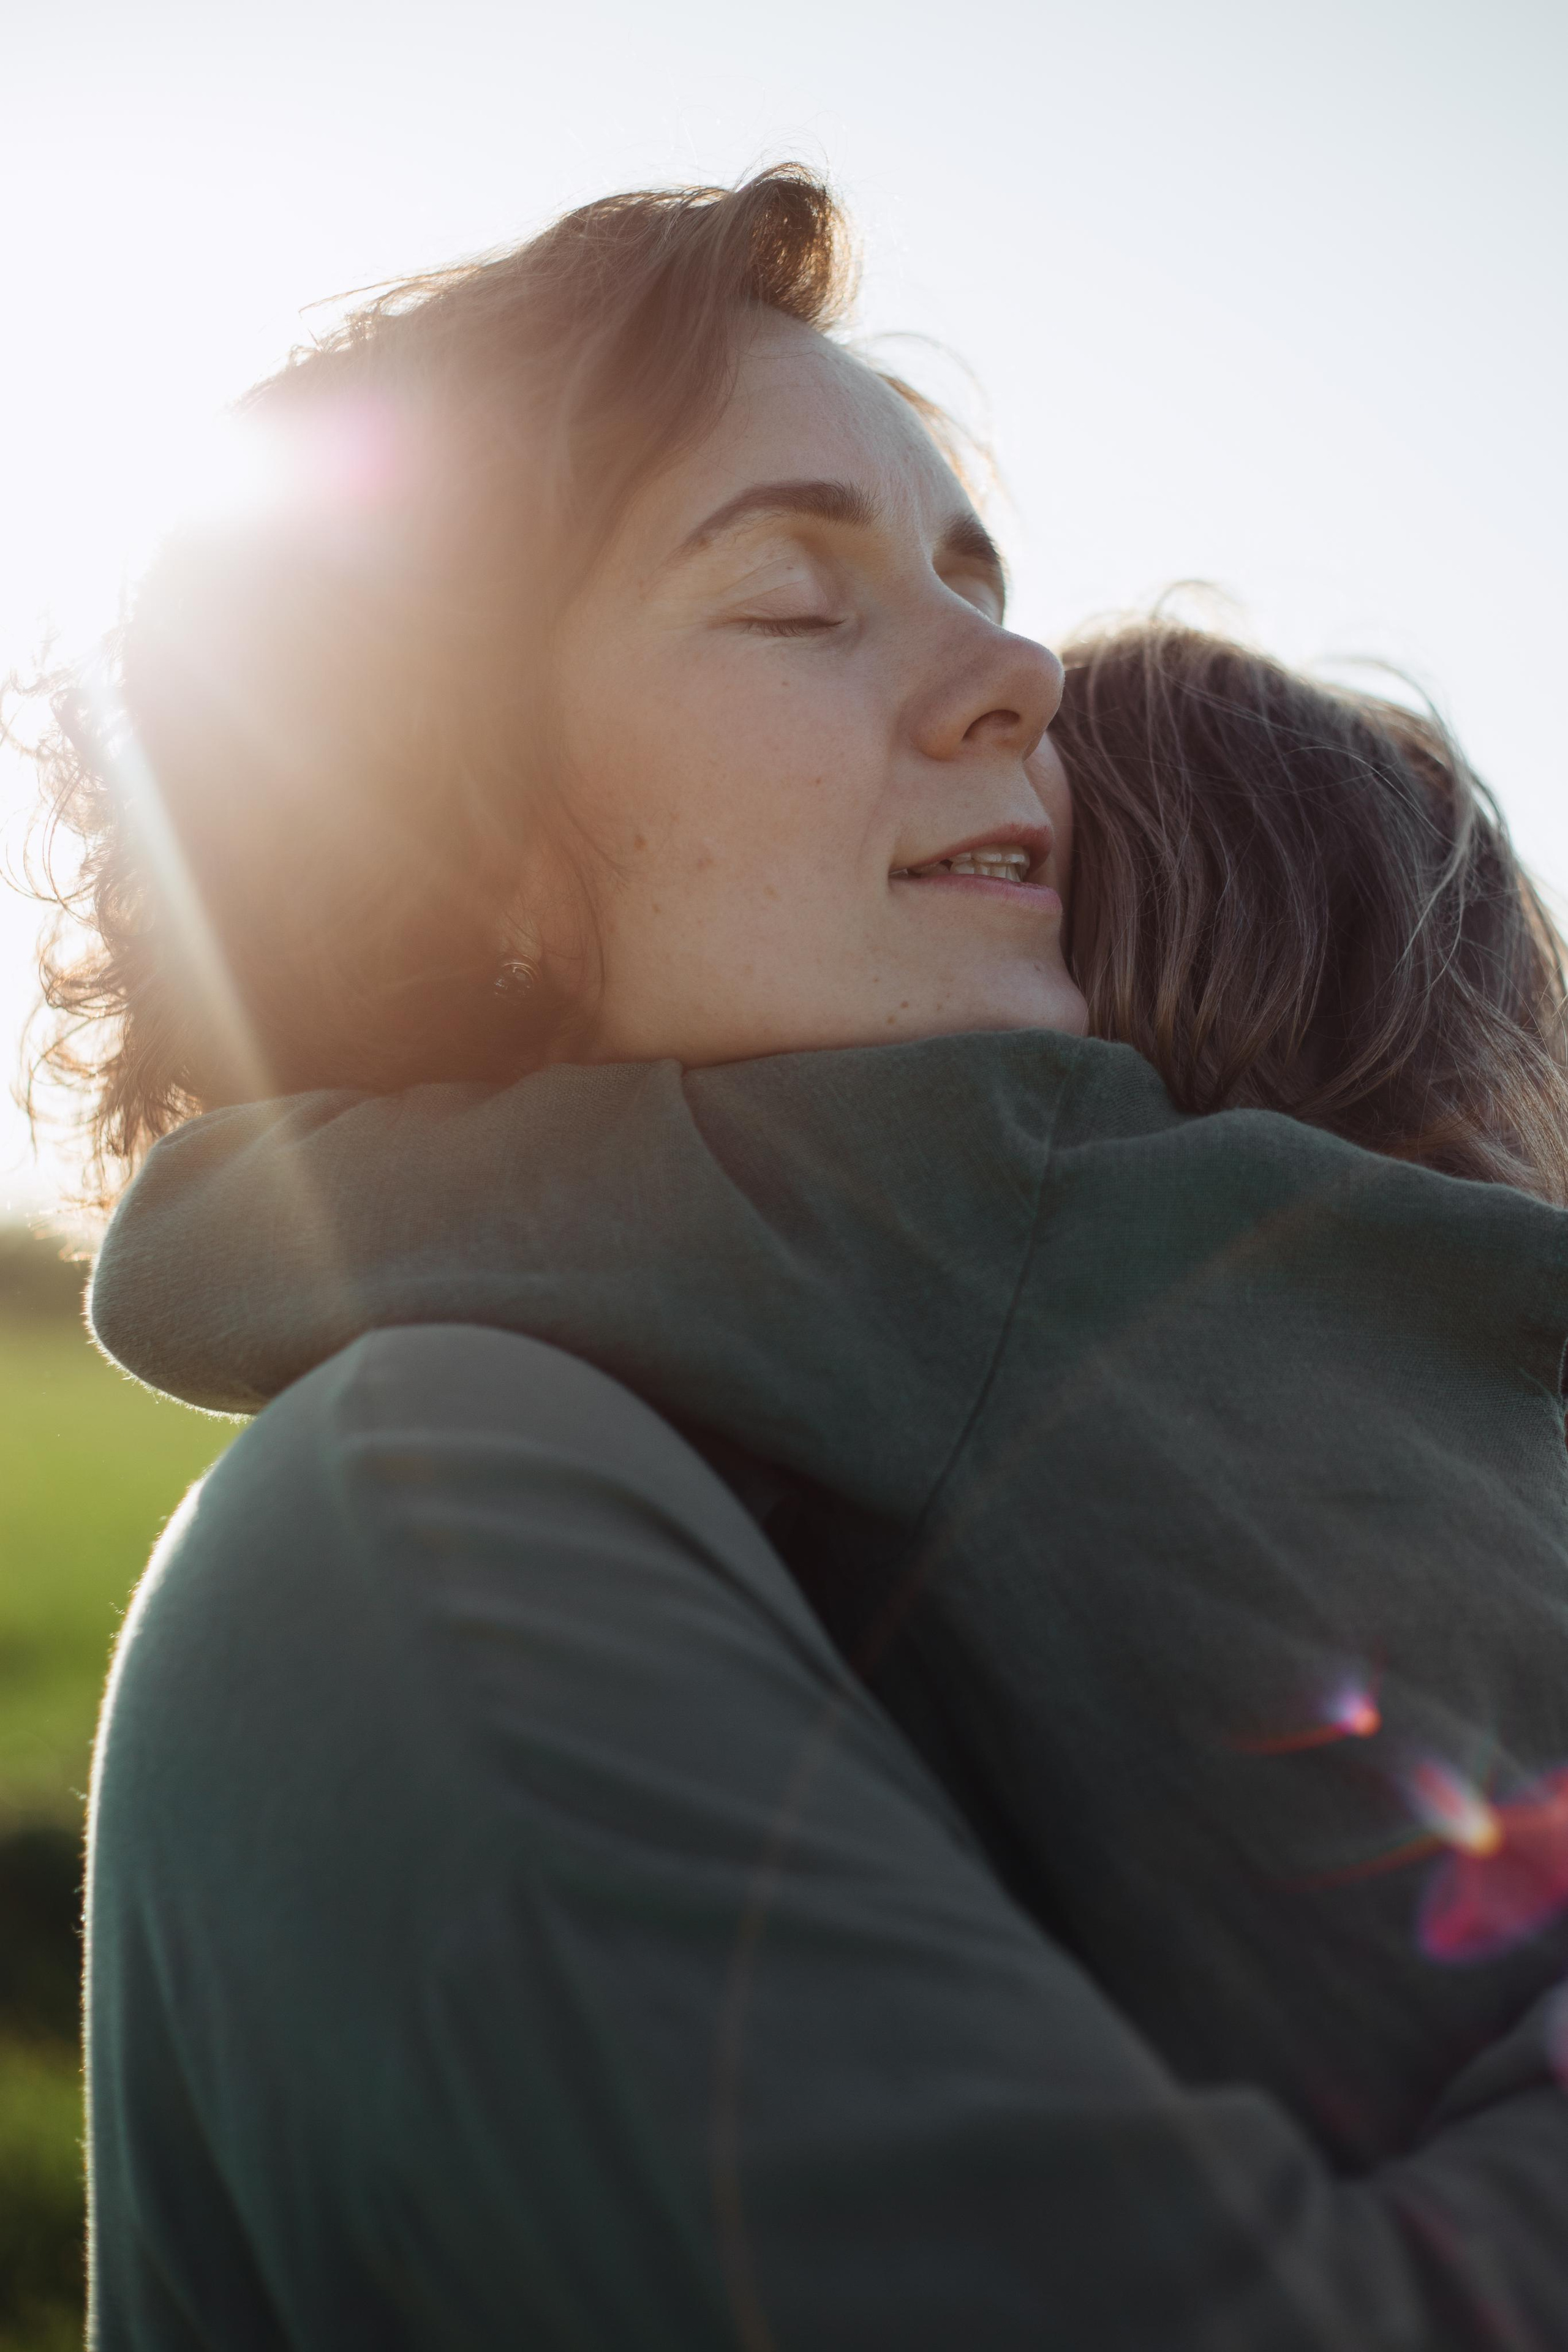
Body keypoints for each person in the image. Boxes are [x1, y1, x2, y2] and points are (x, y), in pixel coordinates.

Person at [29, 165, 1568, 2343]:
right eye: (793, 599)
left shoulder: (851, 1484)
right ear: (449, 840)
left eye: (975, 580)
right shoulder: (433, 1512)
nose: (1019, 676)